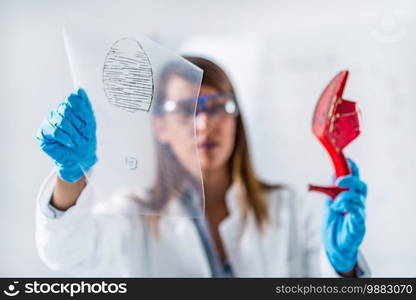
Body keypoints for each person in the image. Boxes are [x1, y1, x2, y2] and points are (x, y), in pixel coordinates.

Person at [35, 56, 369, 277]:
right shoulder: (132, 214)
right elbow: (67, 255)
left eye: (218, 105)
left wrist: (344, 269)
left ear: (236, 118)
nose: (205, 123)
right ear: (160, 127)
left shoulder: (290, 209)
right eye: (186, 108)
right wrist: (72, 175)